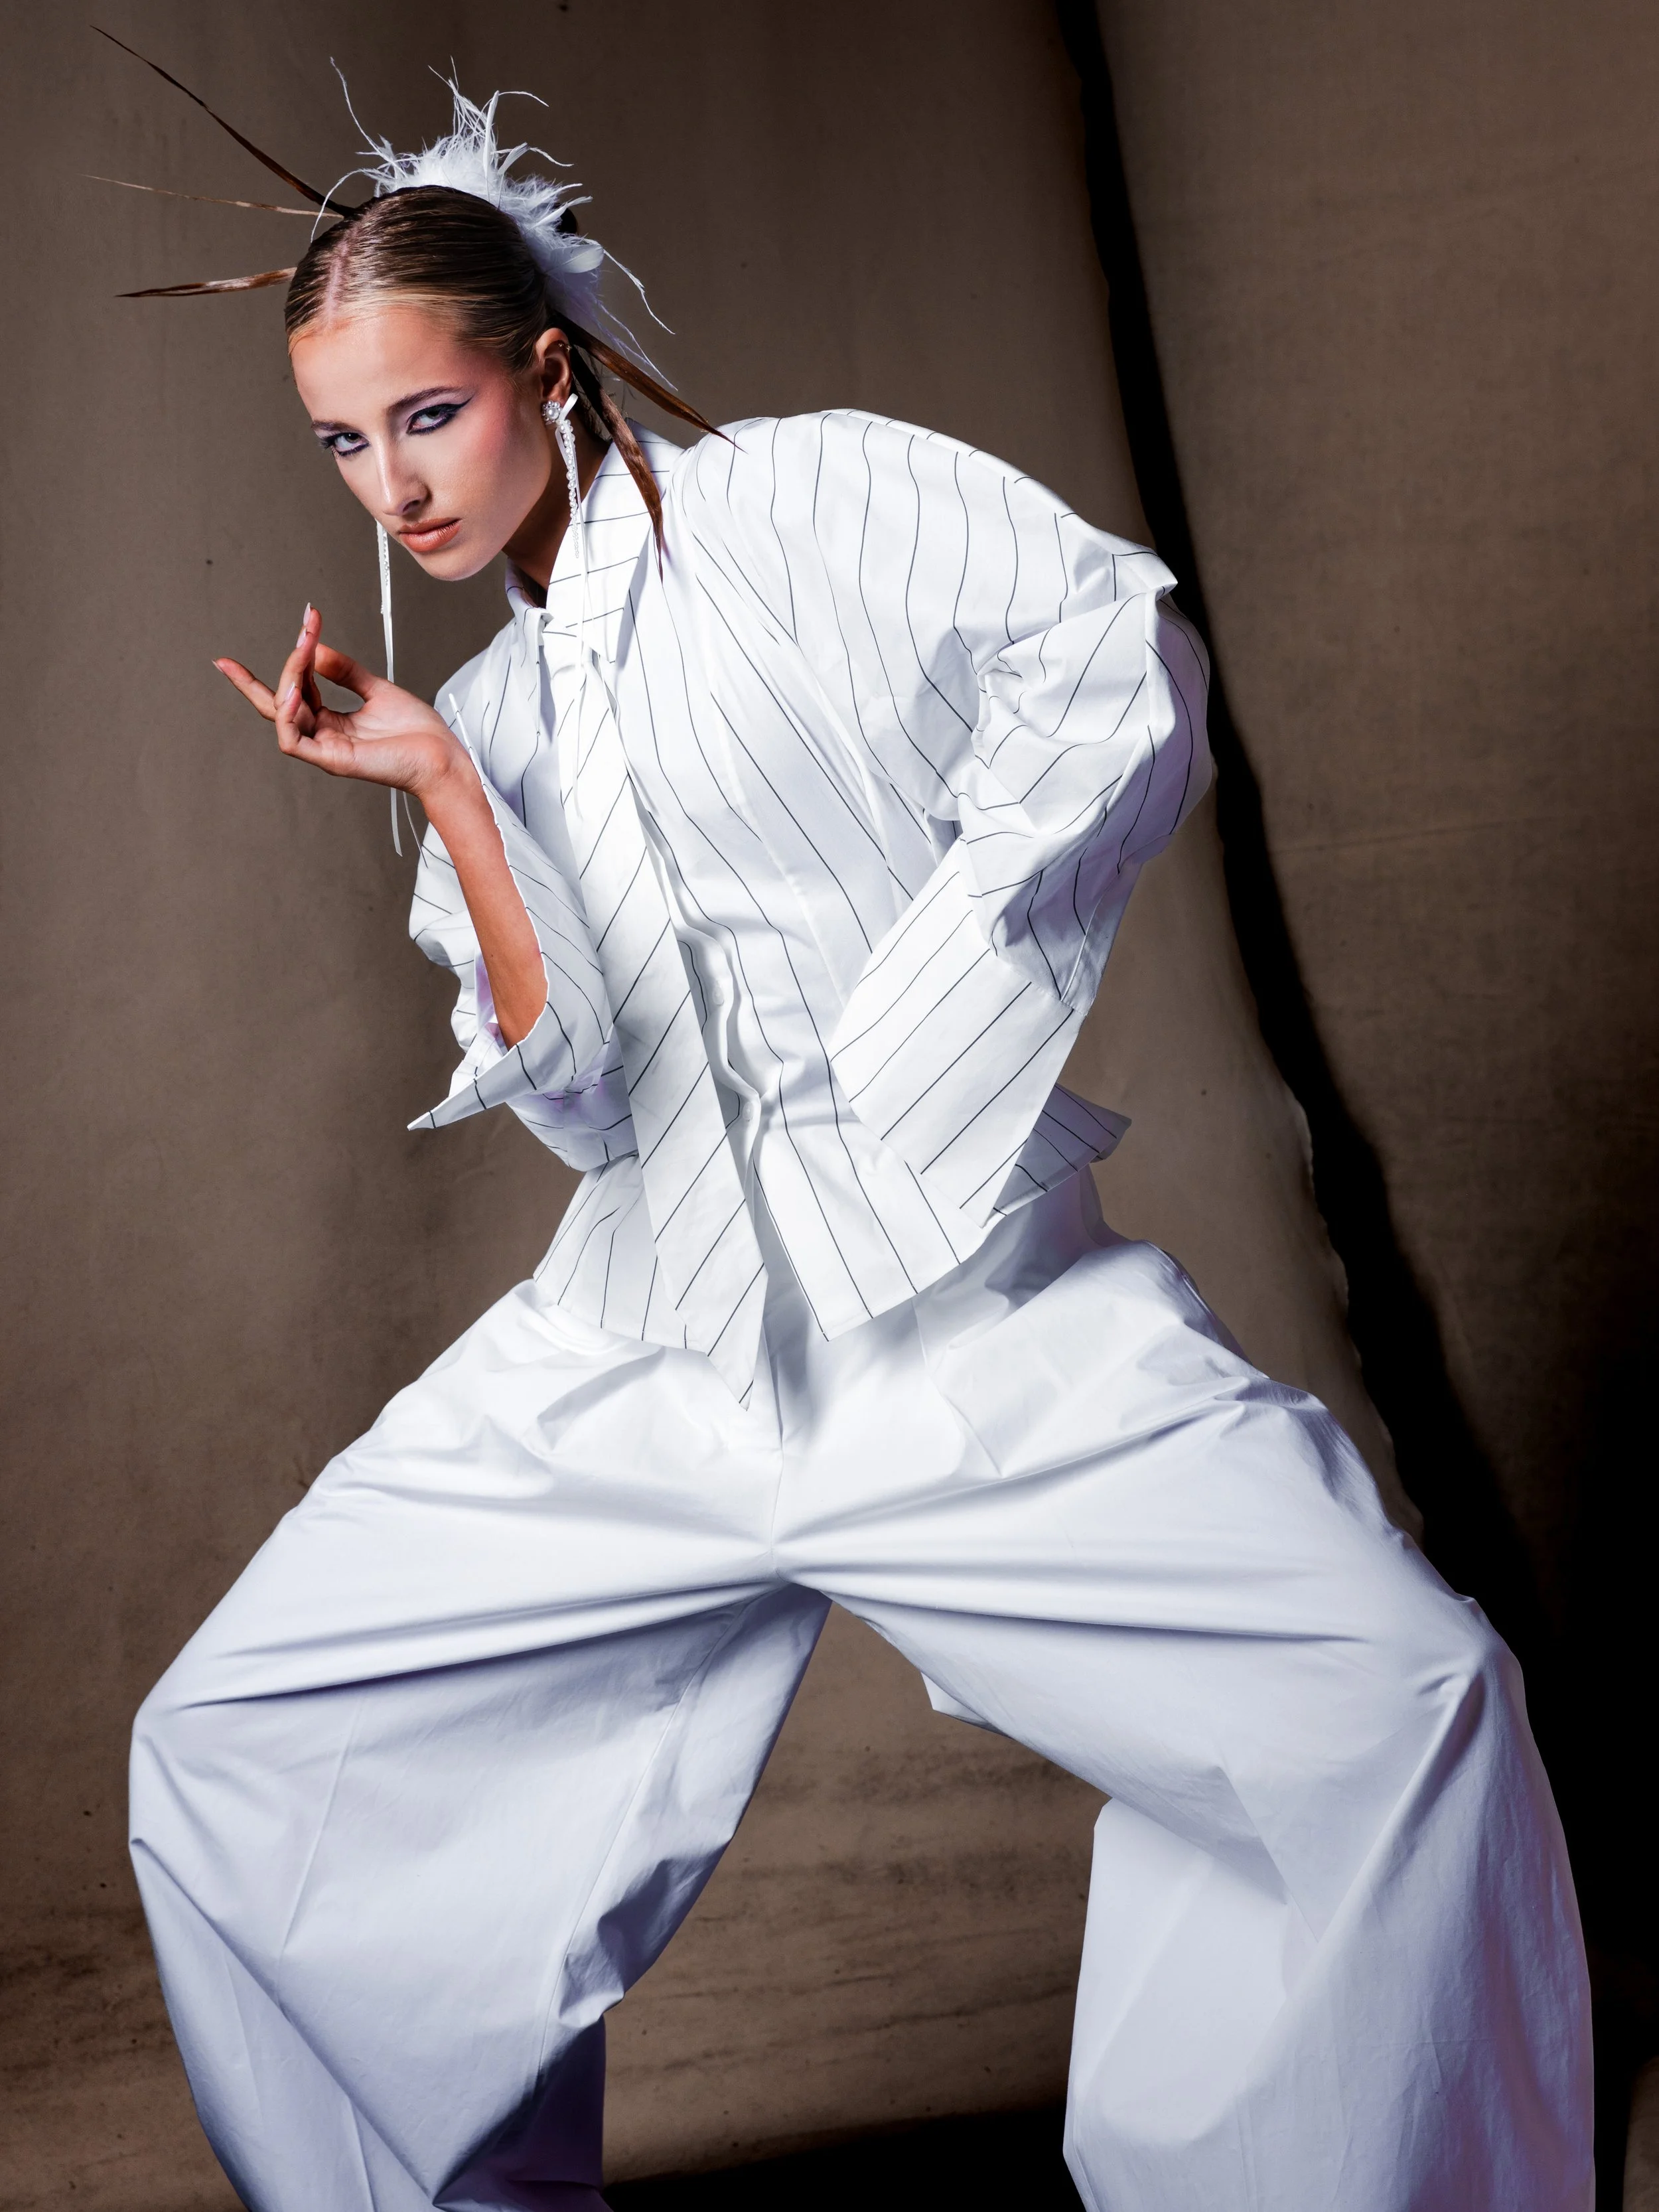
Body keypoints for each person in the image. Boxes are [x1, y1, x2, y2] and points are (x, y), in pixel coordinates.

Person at [123, 74, 1591, 2212]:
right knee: (238, 1750)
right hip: (646, 1364)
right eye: (343, 444)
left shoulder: (808, 502)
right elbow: (596, 1100)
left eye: (422, 417)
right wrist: (446, 781)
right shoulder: (496, 715)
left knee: (1402, 1707)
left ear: (538, 362)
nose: (390, 487)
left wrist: (921, 1045)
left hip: (964, 1327)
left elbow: (1107, 651)